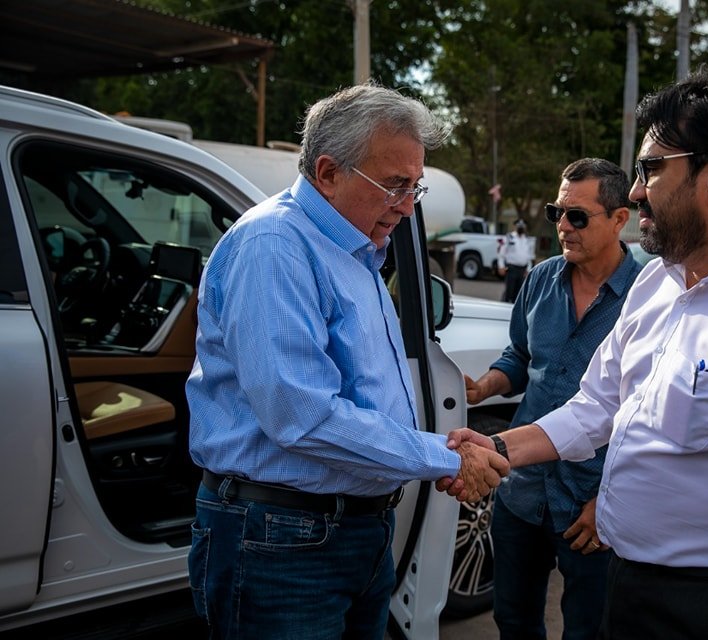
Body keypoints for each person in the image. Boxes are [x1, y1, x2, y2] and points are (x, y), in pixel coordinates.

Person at [439, 58, 708, 639]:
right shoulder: (658, 282)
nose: (636, 191)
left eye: (650, 169)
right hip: (624, 581)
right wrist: (494, 445)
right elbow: (595, 407)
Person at [185, 83, 509, 639]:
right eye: (394, 186)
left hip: (343, 531)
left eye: (416, 187)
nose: (408, 207)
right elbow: (303, 416)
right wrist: (445, 456)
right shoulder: (276, 246)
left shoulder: (353, 248)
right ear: (329, 172)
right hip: (284, 537)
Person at [465, 158, 642, 639]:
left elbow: (650, 415)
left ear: (619, 219)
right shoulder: (541, 279)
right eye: (557, 212)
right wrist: (485, 386)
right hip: (522, 492)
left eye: (577, 215)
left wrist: (609, 500)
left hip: (591, 504)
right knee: (514, 620)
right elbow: (520, 357)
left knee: (588, 630)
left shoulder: (647, 297)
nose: (563, 226)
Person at [498, 218, 535, 303]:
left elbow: (530, 256)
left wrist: (528, 269)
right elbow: (501, 253)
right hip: (511, 268)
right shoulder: (509, 237)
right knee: (509, 291)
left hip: (522, 270)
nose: (521, 228)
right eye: (519, 226)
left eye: (523, 226)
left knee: (519, 294)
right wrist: (501, 266)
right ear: (515, 226)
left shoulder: (528, 240)